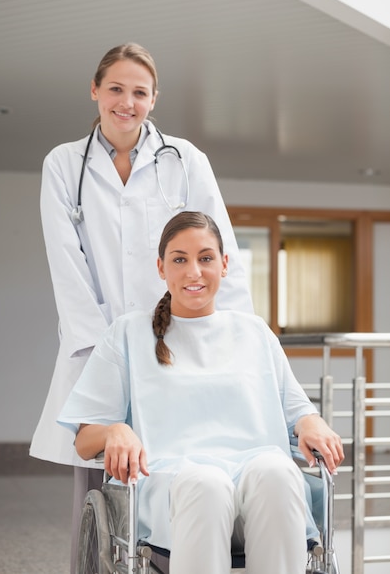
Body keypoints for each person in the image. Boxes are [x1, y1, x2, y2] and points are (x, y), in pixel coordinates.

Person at [29, 43, 254, 572]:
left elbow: (223, 252)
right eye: (115, 89)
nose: (126, 102)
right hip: (99, 345)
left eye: (139, 92)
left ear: (154, 99)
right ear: (95, 90)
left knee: (185, 460)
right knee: (100, 479)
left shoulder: (185, 159)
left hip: (177, 340)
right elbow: (67, 267)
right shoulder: (64, 165)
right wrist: (103, 353)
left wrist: (236, 340)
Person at [58, 211, 344, 574]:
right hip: (172, 479)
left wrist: (311, 422)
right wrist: (114, 429)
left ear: (224, 265)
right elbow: (84, 441)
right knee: (206, 482)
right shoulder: (128, 334)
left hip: (256, 472)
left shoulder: (254, 333)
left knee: (279, 472)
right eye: (180, 259)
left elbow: (298, 411)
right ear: (161, 267)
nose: (194, 272)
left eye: (205, 258)